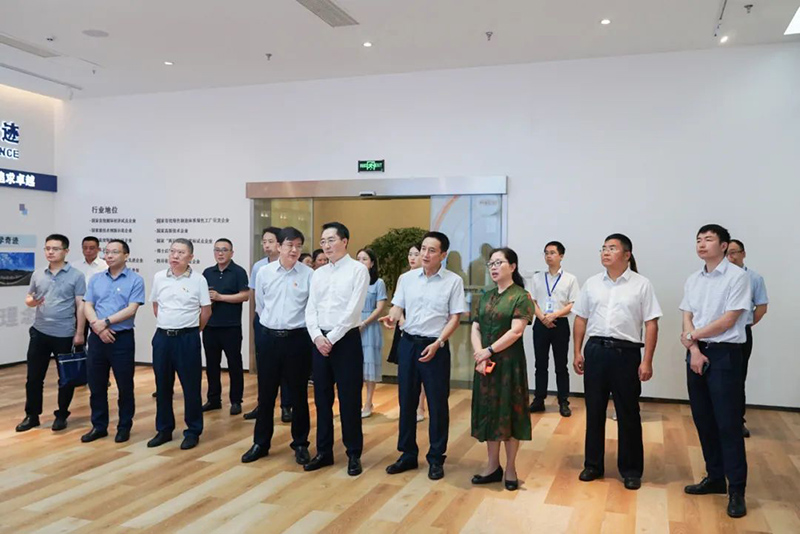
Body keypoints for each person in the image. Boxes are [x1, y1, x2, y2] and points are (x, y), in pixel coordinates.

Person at [572, 233, 661, 491]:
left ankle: (631, 470)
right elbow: (580, 319)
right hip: (596, 351)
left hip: (626, 353)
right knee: (594, 409)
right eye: (603, 248)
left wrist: (647, 361)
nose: (605, 252)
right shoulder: (592, 283)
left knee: (628, 412)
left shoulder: (641, 284)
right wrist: (577, 352)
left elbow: (651, 323)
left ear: (627, 254)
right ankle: (593, 465)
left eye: (612, 248)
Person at [380, 231, 467, 480]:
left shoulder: (453, 281)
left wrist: (439, 342)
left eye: (431, 250)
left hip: (435, 346)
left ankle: (436, 457)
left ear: (443, 255)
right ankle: (407, 454)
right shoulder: (407, 279)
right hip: (408, 344)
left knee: (437, 404)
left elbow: (455, 317)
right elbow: (397, 307)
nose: (425, 254)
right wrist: (392, 317)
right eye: (423, 249)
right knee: (406, 401)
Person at [680, 224, 751, 518]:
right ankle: (714, 477)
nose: (701, 244)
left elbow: (729, 320)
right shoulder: (693, 279)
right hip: (696, 352)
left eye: (708, 239)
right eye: (698, 239)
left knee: (728, 423)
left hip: (724, 354)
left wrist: (692, 337)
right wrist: (694, 349)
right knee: (703, 419)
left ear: (723, 246)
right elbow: (687, 315)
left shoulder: (738, 277)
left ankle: (736, 490)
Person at [243, 227, 314, 465]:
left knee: (298, 395)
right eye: (289, 245)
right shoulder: (264, 272)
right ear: (279, 247)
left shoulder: (308, 274)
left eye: (298, 246)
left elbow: (311, 308)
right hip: (269, 338)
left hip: (297, 339)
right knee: (266, 394)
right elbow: (261, 305)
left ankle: (300, 444)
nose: (294, 250)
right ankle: (261, 443)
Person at [304, 222, 369, 476]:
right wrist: (317, 336)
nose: (326, 245)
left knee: (349, 399)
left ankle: (353, 454)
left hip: (345, 341)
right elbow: (311, 307)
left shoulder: (357, 270)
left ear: (345, 241)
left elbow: (353, 310)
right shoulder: (318, 274)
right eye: (323, 241)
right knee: (322, 399)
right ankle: (324, 452)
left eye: (331, 240)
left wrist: (330, 338)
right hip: (319, 341)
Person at [470, 247, 533, 491]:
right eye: (491, 264)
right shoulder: (485, 296)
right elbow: (475, 327)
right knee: (490, 412)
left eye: (499, 263)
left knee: (510, 413)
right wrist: (479, 353)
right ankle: (492, 466)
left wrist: (489, 351)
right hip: (485, 365)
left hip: (508, 365)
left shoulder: (521, 296)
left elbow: (516, 331)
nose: (494, 267)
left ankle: (511, 468)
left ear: (512, 267)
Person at [16, 234, 87, 432]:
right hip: (39, 332)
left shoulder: (76, 276)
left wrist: (80, 332)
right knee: (34, 377)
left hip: (64, 333)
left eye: (55, 249)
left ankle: (62, 414)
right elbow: (29, 298)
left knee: (66, 378)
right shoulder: (38, 274)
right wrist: (31, 302)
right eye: (47, 248)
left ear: (66, 251)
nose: (50, 252)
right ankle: (32, 415)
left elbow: (81, 305)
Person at [148, 238, 211, 450]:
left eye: (181, 253)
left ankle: (193, 431)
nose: (175, 256)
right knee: (162, 385)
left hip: (187, 338)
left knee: (191, 386)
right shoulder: (159, 277)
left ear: (190, 257)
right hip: (162, 337)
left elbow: (206, 311)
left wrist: (191, 330)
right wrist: (168, 324)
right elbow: (156, 306)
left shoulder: (199, 280)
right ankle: (164, 429)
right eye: (172, 251)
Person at [81, 239, 145, 443]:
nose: (109, 255)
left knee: (125, 385)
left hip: (121, 338)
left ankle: (124, 426)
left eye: (114, 252)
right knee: (96, 384)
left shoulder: (135, 280)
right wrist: (97, 326)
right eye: (107, 252)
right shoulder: (96, 279)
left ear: (126, 255)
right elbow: (87, 304)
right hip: (97, 337)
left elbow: (131, 309)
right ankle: (99, 426)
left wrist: (105, 322)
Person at [244, 227, 291, 422]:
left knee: (286, 368)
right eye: (264, 242)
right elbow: (256, 296)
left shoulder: (292, 266)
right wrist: (258, 320)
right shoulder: (259, 267)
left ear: (280, 244)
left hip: (287, 325)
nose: (266, 245)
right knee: (264, 366)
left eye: (270, 241)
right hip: (263, 321)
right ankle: (262, 404)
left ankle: (286, 405)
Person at [529, 241, 580, 417]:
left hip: (560, 324)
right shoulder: (537, 278)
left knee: (561, 365)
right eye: (546, 253)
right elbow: (532, 301)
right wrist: (543, 318)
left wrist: (555, 315)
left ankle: (563, 401)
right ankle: (539, 400)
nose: (548, 256)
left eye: (552, 252)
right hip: (540, 323)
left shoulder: (570, 279)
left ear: (561, 256)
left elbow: (574, 303)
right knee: (540, 364)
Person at [201, 239, 249, 416]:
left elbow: (245, 296)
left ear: (231, 253)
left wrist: (221, 297)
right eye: (217, 250)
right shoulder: (207, 272)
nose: (220, 253)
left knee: (234, 364)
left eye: (224, 250)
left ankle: (236, 400)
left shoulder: (238, 272)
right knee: (211, 364)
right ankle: (213, 399)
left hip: (231, 326)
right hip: (210, 326)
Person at [725, 239, 768, 438]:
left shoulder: (754, 278)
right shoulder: (718, 277)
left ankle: (737, 421)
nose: (730, 257)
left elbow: (761, 307)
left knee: (737, 377)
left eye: (734, 252)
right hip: (716, 335)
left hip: (741, 333)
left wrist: (746, 324)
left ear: (743, 253)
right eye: (727, 253)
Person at [356, 248, 387, 418]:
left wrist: (364, 323)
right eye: (358, 259)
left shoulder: (378, 283)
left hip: (370, 326)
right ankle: (356, 402)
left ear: (372, 263)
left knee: (369, 365)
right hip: (353, 325)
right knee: (355, 366)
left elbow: (380, 308)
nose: (361, 262)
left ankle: (368, 402)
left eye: (365, 259)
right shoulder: (353, 281)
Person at [73, 236, 108, 343]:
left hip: (97, 307)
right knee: (78, 338)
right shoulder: (74, 266)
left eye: (92, 248)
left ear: (98, 249)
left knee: (97, 337)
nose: (88, 251)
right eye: (85, 248)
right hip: (77, 307)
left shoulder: (106, 266)